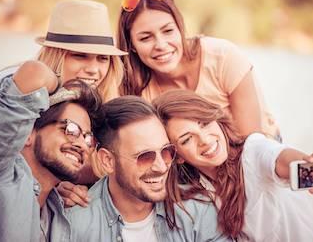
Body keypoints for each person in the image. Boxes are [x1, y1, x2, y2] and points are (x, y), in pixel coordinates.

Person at [153, 89, 313, 241]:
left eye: (204, 123)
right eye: (187, 139)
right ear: (177, 156)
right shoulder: (196, 190)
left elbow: (278, 157)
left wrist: (307, 163)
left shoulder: (252, 151)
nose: (205, 140)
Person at [117, 0, 280, 140]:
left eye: (168, 31)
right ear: (132, 46)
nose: (161, 45)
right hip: (200, 165)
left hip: (260, 151)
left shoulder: (223, 57)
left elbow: (252, 142)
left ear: (180, 28)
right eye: (145, 38)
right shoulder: (134, 88)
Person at [65, 95, 231, 242]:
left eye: (166, 152)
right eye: (145, 156)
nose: (161, 166)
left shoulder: (197, 209)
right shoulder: (73, 225)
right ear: (108, 161)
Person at [0, 61, 101, 241]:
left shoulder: (57, 210)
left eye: (87, 138)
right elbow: (34, 73)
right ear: (28, 132)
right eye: (71, 130)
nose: (82, 144)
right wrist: (61, 89)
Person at [0, 0, 127, 115]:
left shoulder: (105, 107)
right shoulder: (0, 89)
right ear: (55, 56)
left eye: (103, 58)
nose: (93, 69)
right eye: (80, 56)